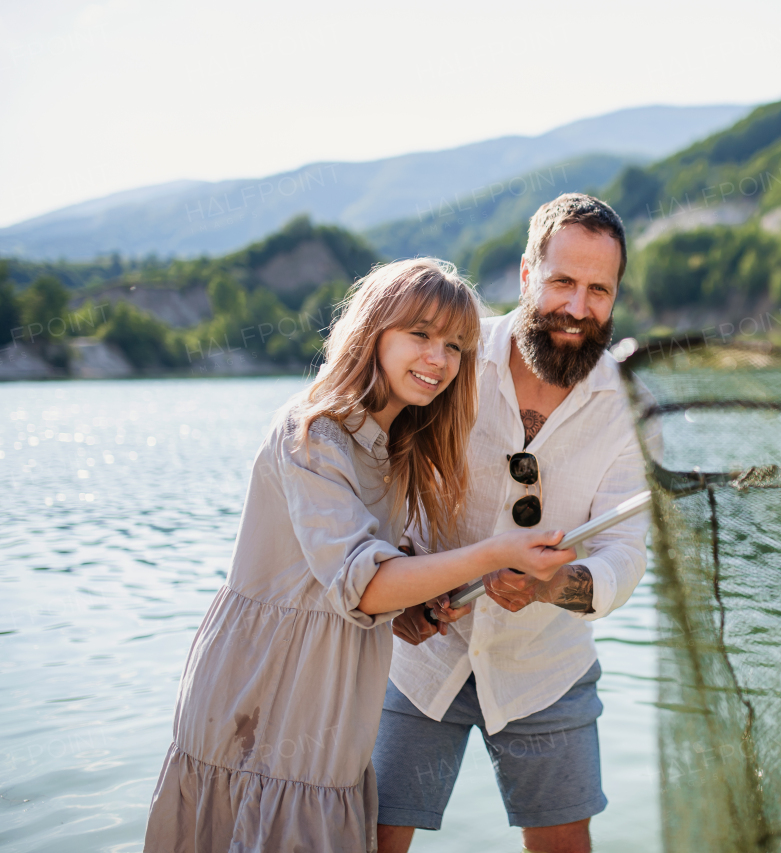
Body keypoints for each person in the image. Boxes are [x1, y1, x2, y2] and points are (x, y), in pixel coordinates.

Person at [142, 258, 578, 853]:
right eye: (419, 335)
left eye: (454, 345)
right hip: (263, 695)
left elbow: (359, 581)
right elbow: (363, 584)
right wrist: (492, 552)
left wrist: (412, 607)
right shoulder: (312, 434)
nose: (438, 359)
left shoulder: (396, 448)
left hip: (335, 700)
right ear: (373, 331)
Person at [374, 194, 655, 853]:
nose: (578, 309)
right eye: (562, 281)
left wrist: (549, 587)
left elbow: (624, 555)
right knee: (372, 834)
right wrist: (397, 589)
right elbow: (380, 484)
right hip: (418, 656)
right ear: (527, 274)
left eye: (598, 290)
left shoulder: (631, 409)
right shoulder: (451, 360)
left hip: (545, 665)